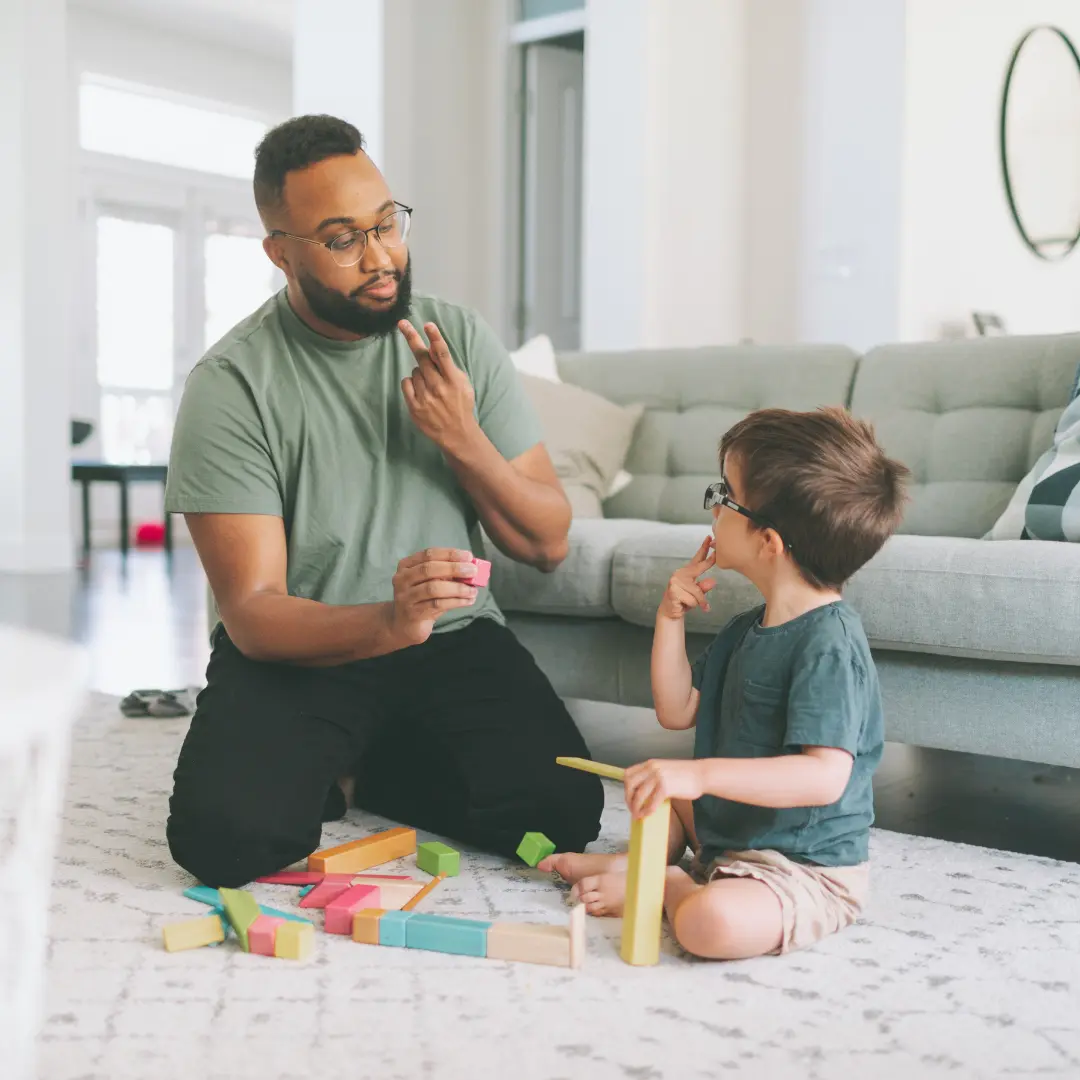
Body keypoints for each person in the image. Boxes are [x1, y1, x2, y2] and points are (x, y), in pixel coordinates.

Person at [164, 114, 603, 888]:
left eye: (386, 223)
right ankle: (348, 754)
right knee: (225, 839)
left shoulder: (456, 337)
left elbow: (547, 540)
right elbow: (255, 612)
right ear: (280, 253)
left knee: (560, 811)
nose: (380, 257)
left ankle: (365, 772)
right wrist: (386, 622)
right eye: (341, 239)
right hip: (309, 645)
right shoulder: (231, 384)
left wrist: (462, 437)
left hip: (452, 635)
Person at [540, 407, 910, 959]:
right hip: (727, 834)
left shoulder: (828, 643)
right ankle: (652, 863)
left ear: (769, 543)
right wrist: (670, 619)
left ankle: (665, 882)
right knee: (660, 794)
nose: (713, 510)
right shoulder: (748, 629)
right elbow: (676, 708)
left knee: (709, 926)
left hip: (798, 865)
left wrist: (700, 774)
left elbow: (825, 778)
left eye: (725, 496)